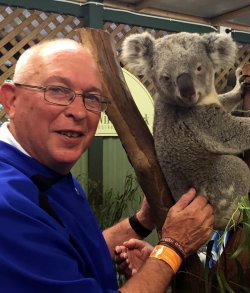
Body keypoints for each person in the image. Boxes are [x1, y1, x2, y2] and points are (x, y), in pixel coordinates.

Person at [0, 38, 214, 292]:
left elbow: (65, 251)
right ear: (11, 100)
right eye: (57, 90)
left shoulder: (42, 169)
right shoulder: (9, 203)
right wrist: (172, 247)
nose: (79, 112)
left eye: (92, 97)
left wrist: (141, 222)